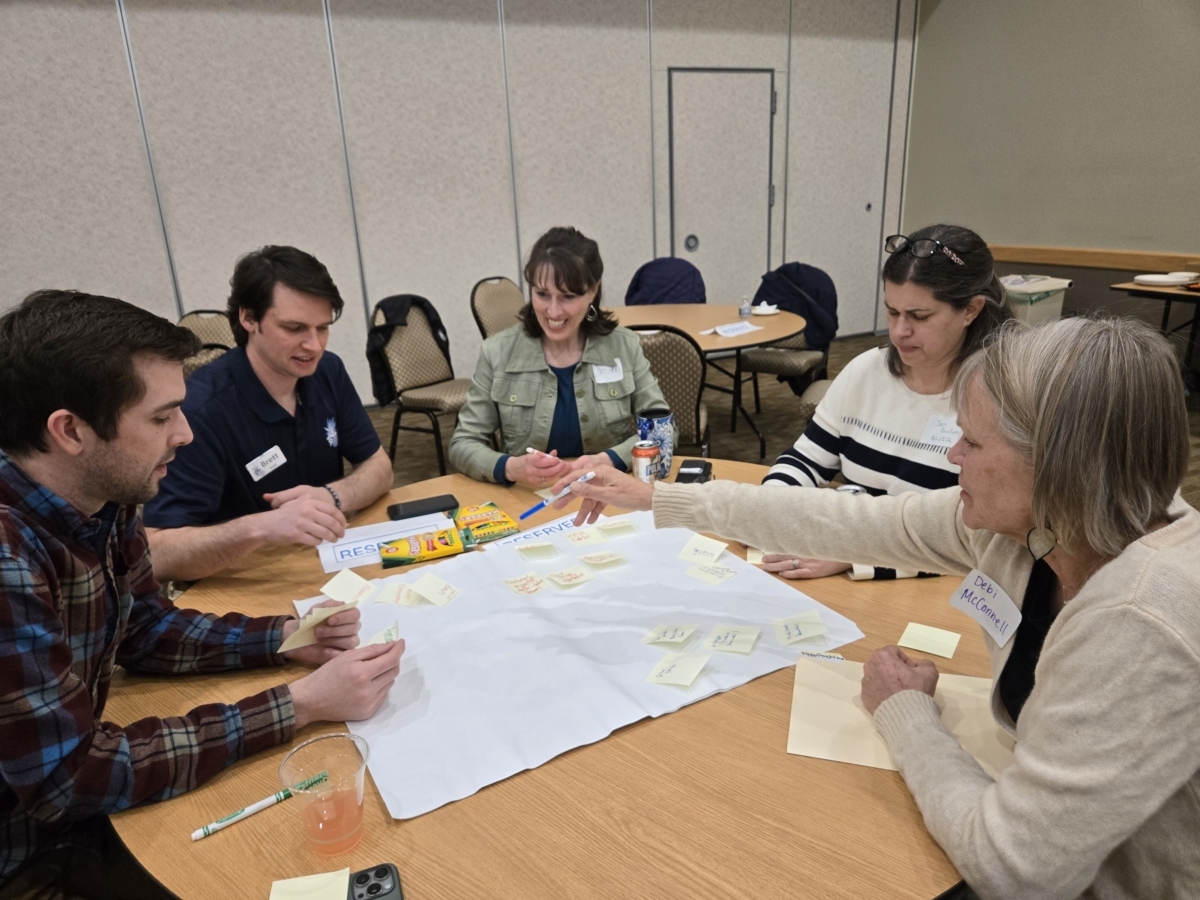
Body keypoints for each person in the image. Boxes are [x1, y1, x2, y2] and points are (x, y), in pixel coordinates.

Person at [553, 316, 1200, 899]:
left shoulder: (1141, 613)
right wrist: (659, 499)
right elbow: (843, 518)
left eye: (972, 445)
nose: (952, 457)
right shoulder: (1040, 524)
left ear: (1060, 466)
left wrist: (905, 711)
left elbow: (1015, 868)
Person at [0, 291, 405, 898]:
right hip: (32, 854)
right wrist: (299, 705)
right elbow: (68, 777)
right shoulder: (9, 559)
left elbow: (147, 629)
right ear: (70, 431)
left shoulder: (106, 496)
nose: (185, 435)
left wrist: (291, 638)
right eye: (162, 418)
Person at [762, 225, 1013, 581]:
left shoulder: (1000, 398)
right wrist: (769, 514)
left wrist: (856, 556)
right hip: (849, 576)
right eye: (892, 312)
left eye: (919, 316)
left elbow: (985, 538)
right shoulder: (866, 370)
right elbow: (805, 460)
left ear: (970, 310)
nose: (898, 332)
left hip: (935, 587)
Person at [143, 246, 393, 582]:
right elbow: (156, 553)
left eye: (322, 328)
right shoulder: (200, 410)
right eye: (294, 328)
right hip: (238, 583)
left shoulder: (327, 371)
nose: (315, 345)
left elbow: (380, 468)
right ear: (248, 319)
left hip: (318, 565)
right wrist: (263, 527)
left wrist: (332, 496)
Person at [448, 226, 668, 488]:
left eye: (567, 297)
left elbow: (661, 429)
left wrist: (608, 460)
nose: (553, 311)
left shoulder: (623, 346)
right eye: (542, 294)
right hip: (528, 499)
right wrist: (509, 467)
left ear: (593, 290)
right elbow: (463, 443)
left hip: (606, 495)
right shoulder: (497, 352)